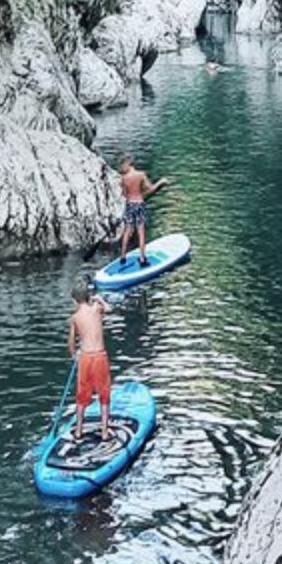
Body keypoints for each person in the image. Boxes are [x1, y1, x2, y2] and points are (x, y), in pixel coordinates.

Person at [67, 283, 114, 442]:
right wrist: (100, 299)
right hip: (99, 356)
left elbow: (72, 342)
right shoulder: (96, 309)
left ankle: (79, 431)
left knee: (81, 396)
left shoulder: (75, 317)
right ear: (88, 297)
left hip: (85, 358)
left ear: (75, 301)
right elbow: (109, 309)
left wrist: (74, 355)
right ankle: (105, 432)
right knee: (104, 394)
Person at [118, 155, 173, 266]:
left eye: (123, 165)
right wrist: (161, 182)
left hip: (129, 205)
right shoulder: (141, 175)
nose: (122, 168)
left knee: (127, 231)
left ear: (128, 164)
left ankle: (123, 256)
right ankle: (142, 258)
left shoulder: (124, 179)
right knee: (141, 232)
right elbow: (151, 188)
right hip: (139, 204)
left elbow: (124, 194)